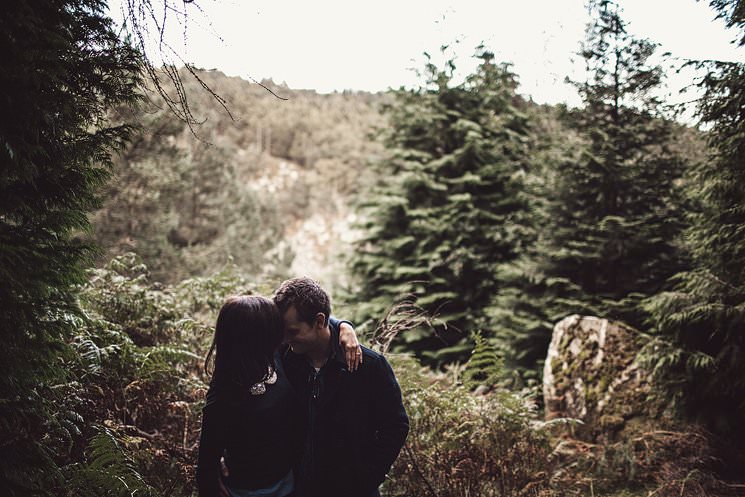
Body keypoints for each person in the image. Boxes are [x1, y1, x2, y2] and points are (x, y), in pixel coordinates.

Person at [195, 295, 361, 497]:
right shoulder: (222, 397)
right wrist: (211, 481)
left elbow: (313, 318)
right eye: (275, 326)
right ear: (256, 335)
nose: (283, 334)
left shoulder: (275, 357)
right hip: (245, 491)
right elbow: (206, 464)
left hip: (291, 484)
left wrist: (344, 327)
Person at [274, 277, 409, 497]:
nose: (284, 339)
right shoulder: (285, 358)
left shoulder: (369, 365)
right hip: (296, 488)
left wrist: (367, 478)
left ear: (319, 321)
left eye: (292, 331)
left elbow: (395, 425)